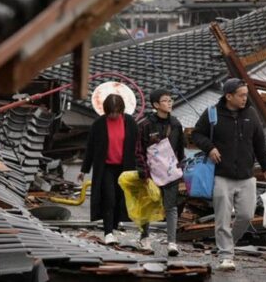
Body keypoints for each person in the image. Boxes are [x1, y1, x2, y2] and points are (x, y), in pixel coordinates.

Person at [191, 78, 266, 271]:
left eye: (246, 94)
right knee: (222, 217)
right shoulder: (212, 113)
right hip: (222, 175)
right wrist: (209, 148)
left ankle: (229, 243)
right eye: (241, 95)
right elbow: (196, 134)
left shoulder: (251, 114)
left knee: (246, 215)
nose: (245, 98)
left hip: (246, 175)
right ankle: (226, 255)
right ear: (229, 96)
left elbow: (260, 143)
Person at [78, 93, 139, 245]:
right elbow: (90, 148)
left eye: (116, 112)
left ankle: (115, 225)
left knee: (120, 198)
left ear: (122, 110)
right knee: (109, 198)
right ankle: (108, 232)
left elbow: (138, 146)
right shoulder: (99, 124)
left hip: (125, 167)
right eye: (111, 112)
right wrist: (84, 169)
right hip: (106, 167)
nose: (113, 115)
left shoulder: (130, 122)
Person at [135, 88, 186, 256]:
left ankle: (172, 242)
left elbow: (180, 150)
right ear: (156, 105)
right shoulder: (145, 125)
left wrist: (181, 168)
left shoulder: (176, 124)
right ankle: (144, 238)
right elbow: (138, 150)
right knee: (148, 205)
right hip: (150, 173)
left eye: (170, 100)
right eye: (165, 100)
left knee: (171, 207)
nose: (169, 102)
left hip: (170, 172)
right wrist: (143, 171)